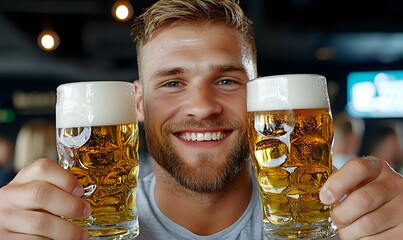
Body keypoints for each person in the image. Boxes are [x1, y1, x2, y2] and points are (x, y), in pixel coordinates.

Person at [0, 1, 403, 239]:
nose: (202, 106)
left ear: (259, 97)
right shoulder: (71, 229)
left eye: (226, 80)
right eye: (173, 83)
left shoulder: (342, 220)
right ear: (135, 103)